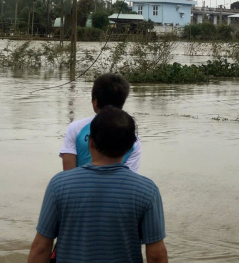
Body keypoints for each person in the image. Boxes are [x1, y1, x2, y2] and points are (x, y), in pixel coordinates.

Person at [27, 107, 168, 263]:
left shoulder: (59, 185)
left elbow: (41, 248)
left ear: (91, 142)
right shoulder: (147, 191)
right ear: (130, 146)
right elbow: (156, 255)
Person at [59, 73, 141, 173]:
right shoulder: (132, 137)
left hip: (79, 186)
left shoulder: (75, 128)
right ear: (122, 102)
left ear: (95, 101)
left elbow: (68, 174)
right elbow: (130, 178)